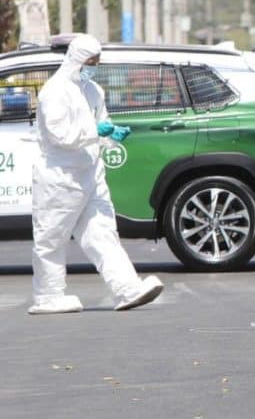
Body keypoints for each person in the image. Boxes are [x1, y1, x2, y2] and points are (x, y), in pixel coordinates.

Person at [29, 34, 164, 314]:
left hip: (90, 175)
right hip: (60, 178)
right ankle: (48, 296)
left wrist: (112, 134)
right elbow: (58, 135)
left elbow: (102, 125)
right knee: (51, 239)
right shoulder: (53, 92)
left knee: (102, 234)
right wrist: (95, 131)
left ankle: (127, 289)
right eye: (90, 62)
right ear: (76, 60)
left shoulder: (93, 91)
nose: (93, 67)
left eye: (96, 62)